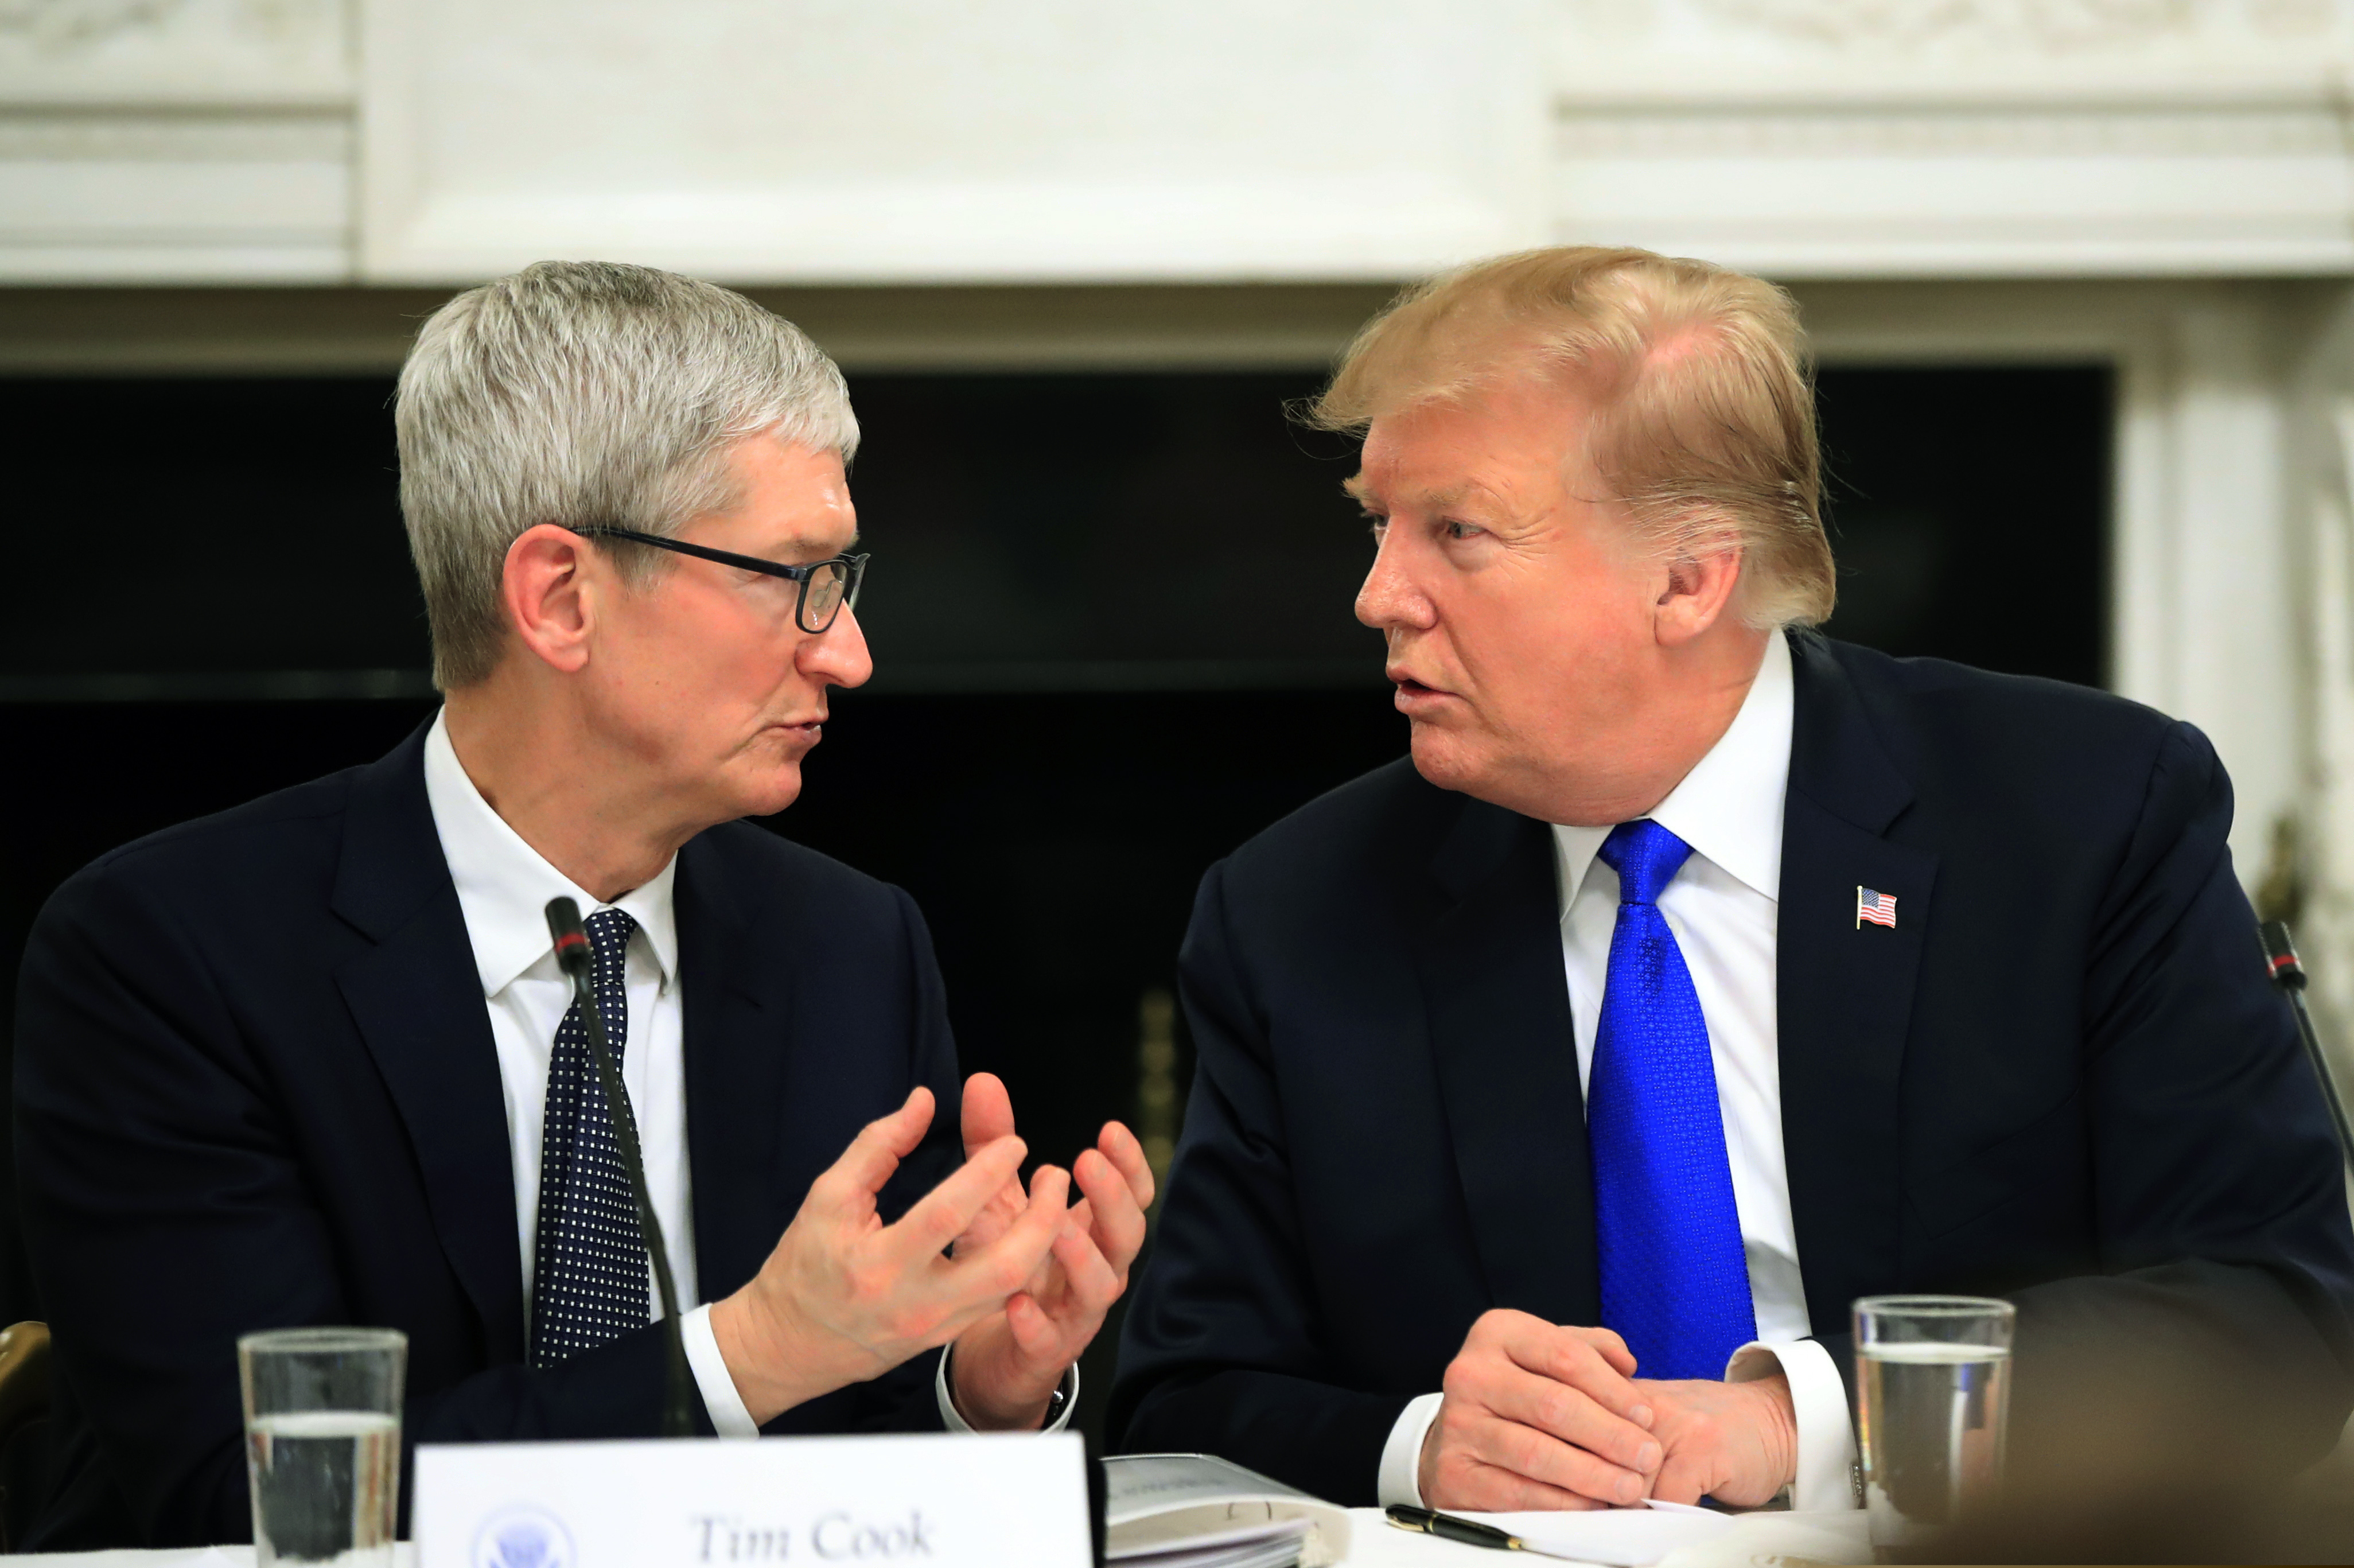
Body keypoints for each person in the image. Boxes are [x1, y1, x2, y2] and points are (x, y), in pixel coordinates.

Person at [1108, 245, 2354, 1513]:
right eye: (1379, 525)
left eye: (1456, 532)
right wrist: (1422, 1444)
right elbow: (1182, 1392)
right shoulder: (1296, 909)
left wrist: (1801, 1420)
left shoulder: (2077, 819)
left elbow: (2274, 1309)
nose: (1378, 596)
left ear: (1689, 578)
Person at [14, 261, 1153, 1550]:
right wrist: (749, 1350)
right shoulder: (169, 956)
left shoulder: (849, 946)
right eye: (796, 577)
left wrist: (977, 1392)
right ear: (560, 597)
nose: (848, 652)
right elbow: (256, 1497)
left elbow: (861, 1463)